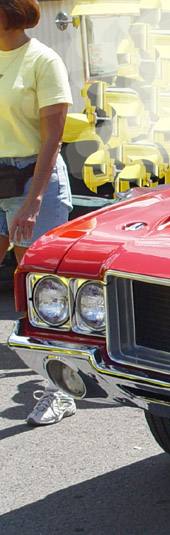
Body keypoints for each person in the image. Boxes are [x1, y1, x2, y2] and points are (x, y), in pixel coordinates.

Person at [0, 0, 75, 426]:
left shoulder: (42, 60)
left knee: (43, 294)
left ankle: (60, 391)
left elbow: (53, 139)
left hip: (34, 181)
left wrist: (33, 203)